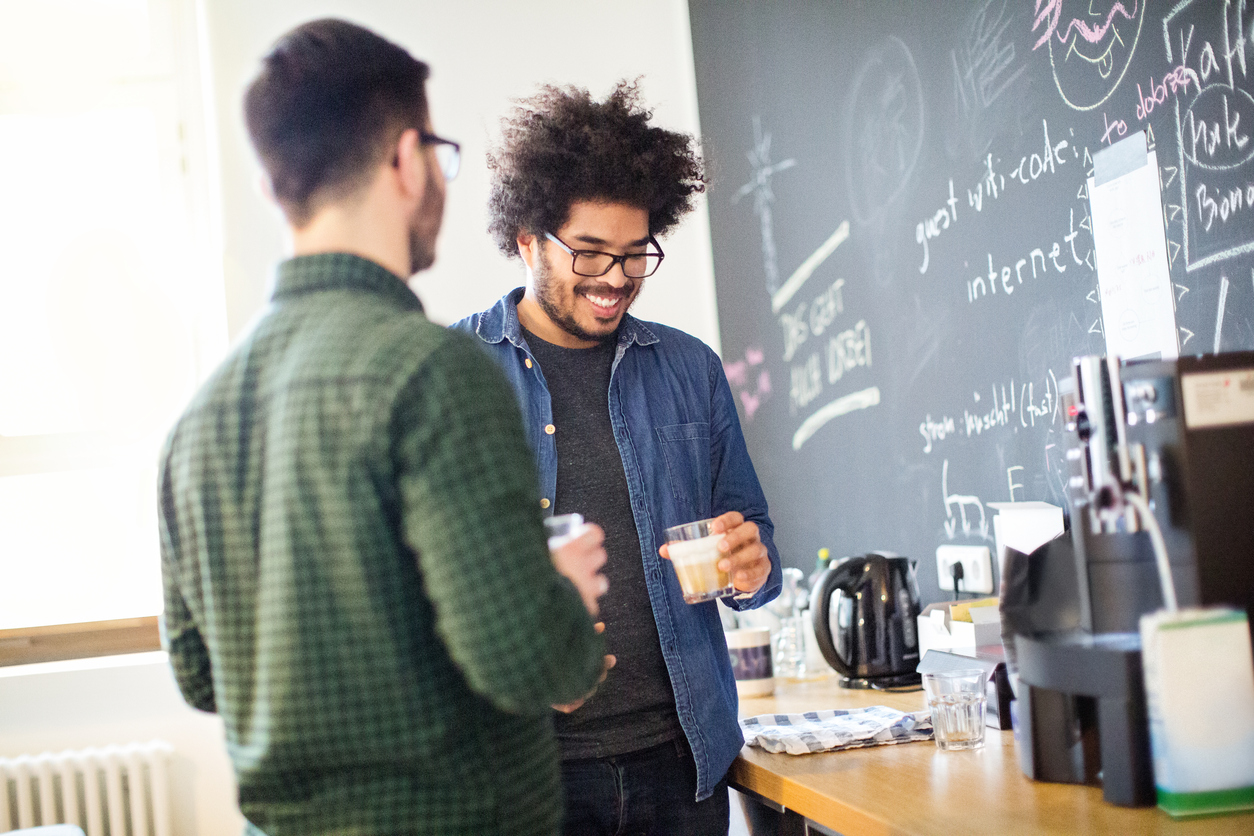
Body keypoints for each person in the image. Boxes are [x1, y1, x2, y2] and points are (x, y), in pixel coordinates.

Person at [157, 19, 608, 836]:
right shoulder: (434, 373)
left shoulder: (198, 421)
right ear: (409, 160)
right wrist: (557, 596)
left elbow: (200, 675)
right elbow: (528, 661)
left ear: (273, 188)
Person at [453, 81, 782, 835]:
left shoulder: (690, 369)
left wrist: (750, 566)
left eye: (635, 255)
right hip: (527, 773)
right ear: (527, 240)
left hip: (681, 765)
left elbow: (755, 542)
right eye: (590, 252)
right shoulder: (454, 372)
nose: (615, 279)